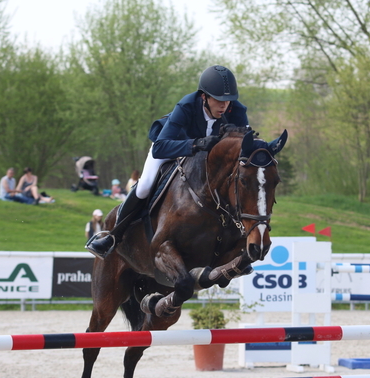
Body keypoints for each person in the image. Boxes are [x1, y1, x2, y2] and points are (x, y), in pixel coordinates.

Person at [86, 65, 249, 258]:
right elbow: (160, 148)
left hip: (207, 159)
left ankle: (239, 241)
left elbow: (244, 147)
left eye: (228, 100)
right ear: (204, 97)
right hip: (173, 147)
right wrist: (196, 144)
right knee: (144, 186)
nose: (224, 106)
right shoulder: (186, 106)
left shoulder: (236, 110)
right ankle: (114, 236)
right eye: (219, 100)